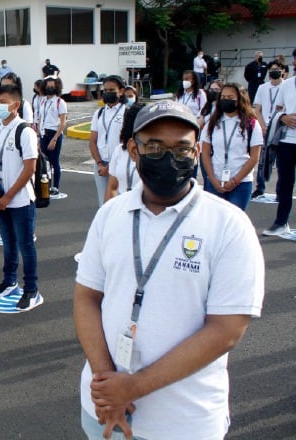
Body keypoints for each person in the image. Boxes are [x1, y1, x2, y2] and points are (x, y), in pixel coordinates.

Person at [74, 99, 265, 440]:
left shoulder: (229, 225)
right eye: (155, 146)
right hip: (101, 410)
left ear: (195, 153)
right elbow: (87, 298)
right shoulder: (110, 215)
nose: (169, 158)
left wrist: (131, 388)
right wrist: (107, 383)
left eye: (181, 148)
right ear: (134, 151)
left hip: (183, 424)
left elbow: (227, 329)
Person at [0, 84, 42, 311]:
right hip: (1, 199)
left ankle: (31, 288)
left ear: (16, 105)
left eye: (3, 102)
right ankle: (9, 281)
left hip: (20, 201)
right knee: (8, 243)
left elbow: (29, 169)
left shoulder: (24, 131)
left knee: (25, 245)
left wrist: (8, 196)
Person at [201, 82, 262, 211]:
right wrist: (212, 179)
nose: (226, 100)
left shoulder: (251, 124)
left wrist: (235, 181)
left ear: (240, 100)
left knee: (234, 221)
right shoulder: (212, 123)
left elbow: (254, 158)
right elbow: (205, 153)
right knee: (215, 221)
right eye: (223, 97)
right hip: (215, 181)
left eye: (230, 98)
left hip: (241, 183)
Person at [263, 68, 296, 236]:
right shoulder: (287, 85)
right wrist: (283, 117)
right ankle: (281, 222)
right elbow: (277, 109)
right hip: (286, 141)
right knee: (285, 184)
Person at [89, 75, 126, 206]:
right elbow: (93, 141)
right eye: (105, 90)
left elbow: (126, 143)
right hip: (100, 164)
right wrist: (99, 164)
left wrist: (110, 167)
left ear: (121, 91)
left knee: (119, 202)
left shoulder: (126, 112)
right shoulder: (99, 113)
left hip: (119, 164)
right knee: (103, 203)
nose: (108, 93)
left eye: (112, 90)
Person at [252, 61, 285, 198]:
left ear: (282, 71)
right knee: (262, 160)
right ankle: (260, 187)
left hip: (280, 127)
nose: (274, 72)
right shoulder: (262, 88)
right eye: (272, 69)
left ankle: (280, 191)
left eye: (277, 69)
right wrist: (263, 126)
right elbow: (257, 109)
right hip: (264, 127)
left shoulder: (286, 87)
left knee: (281, 161)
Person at [104, 103, 144, 203]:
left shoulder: (152, 153)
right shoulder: (120, 150)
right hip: (122, 207)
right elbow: (112, 187)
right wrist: (108, 213)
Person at [39, 77, 68, 196]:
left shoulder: (60, 102)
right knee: (44, 162)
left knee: (54, 162)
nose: (50, 88)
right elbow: (40, 118)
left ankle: (55, 186)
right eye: (48, 86)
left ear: (57, 87)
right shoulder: (42, 101)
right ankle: (46, 185)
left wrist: (55, 139)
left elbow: (62, 123)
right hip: (43, 133)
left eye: (52, 86)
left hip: (54, 133)